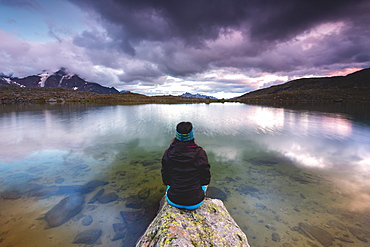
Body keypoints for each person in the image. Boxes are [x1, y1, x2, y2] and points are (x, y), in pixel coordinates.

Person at [161, 122, 211, 210]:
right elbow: (206, 180)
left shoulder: (168, 153)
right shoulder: (200, 153)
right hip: (195, 201)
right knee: (204, 186)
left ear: (177, 135)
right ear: (192, 135)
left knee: (169, 186)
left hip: (174, 200)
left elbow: (166, 180)